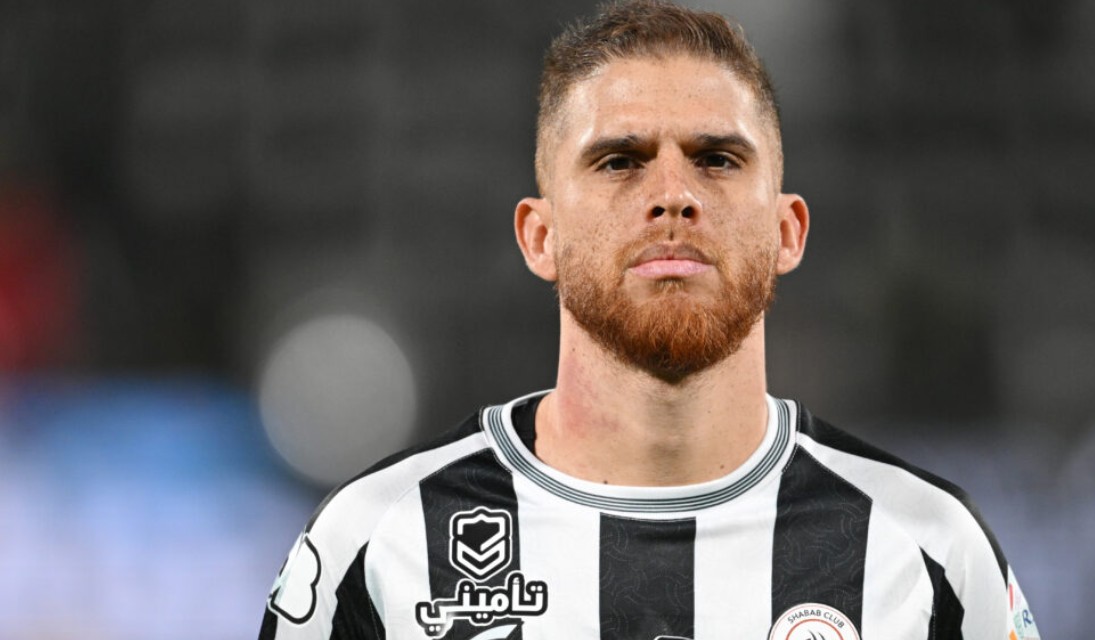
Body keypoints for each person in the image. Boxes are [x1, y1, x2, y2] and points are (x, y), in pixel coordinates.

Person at [259, 1, 1040, 639]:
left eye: (717, 159)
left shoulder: (927, 552)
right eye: (620, 161)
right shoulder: (377, 544)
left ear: (787, 231)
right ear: (540, 236)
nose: (673, 195)